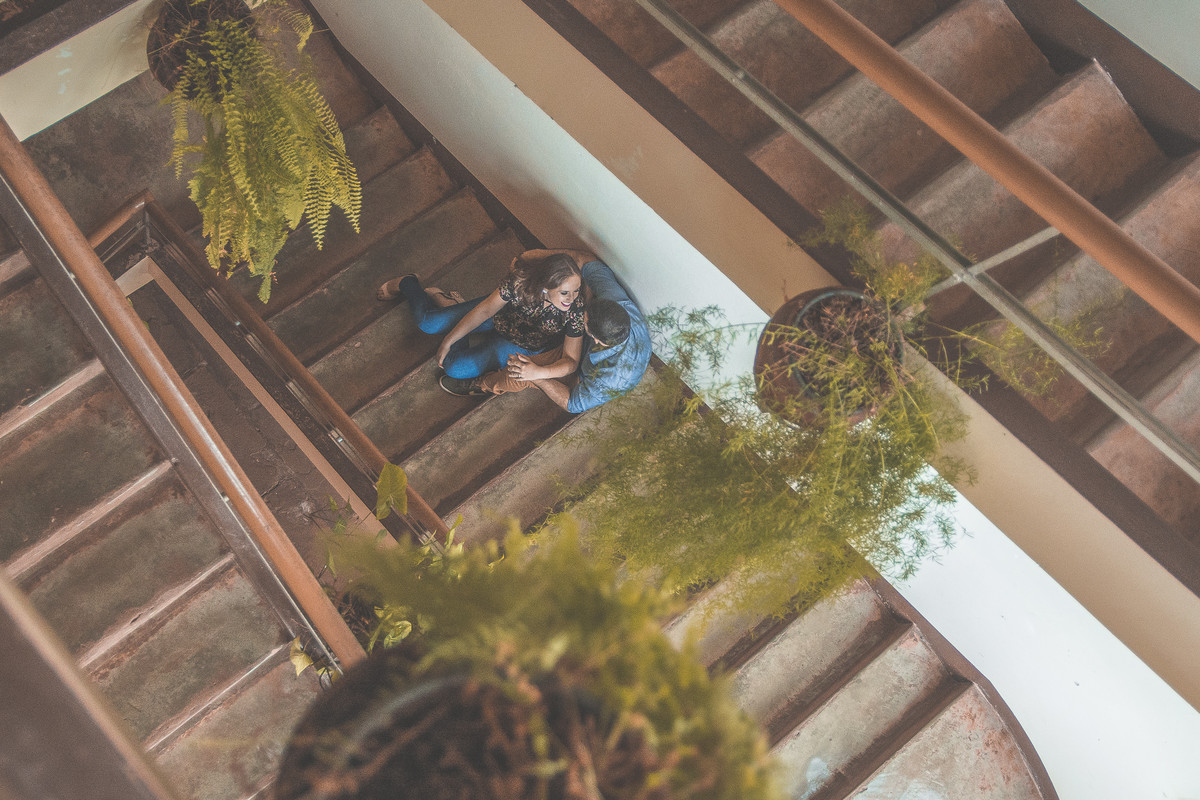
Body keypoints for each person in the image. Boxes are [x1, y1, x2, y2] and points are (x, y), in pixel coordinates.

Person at [472, 251, 651, 413]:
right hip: (573, 347)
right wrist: (535, 256)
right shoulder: (617, 301)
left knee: (517, 375)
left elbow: (571, 404)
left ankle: (484, 383)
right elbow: (586, 260)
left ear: (596, 339)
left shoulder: (612, 379)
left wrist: (536, 375)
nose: (577, 309)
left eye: (584, 319)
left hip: (582, 378)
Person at [377, 251, 585, 389]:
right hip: (498, 318)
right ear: (545, 286)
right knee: (427, 323)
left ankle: (449, 304)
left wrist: (540, 372)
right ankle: (407, 283)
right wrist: (449, 339)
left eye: (576, 291)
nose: (572, 298)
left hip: (519, 344)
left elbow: (571, 361)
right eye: (565, 292)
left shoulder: (575, 308)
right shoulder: (520, 283)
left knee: (454, 368)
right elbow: (485, 311)